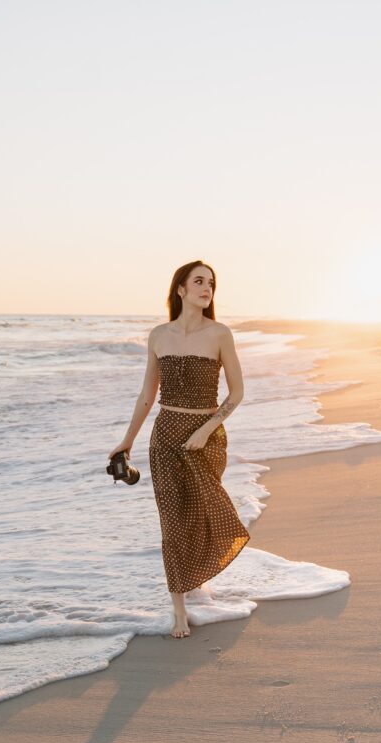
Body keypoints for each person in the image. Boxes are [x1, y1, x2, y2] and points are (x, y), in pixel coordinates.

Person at [108, 260, 250, 638]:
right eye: (199, 281)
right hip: (166, 436)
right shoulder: (158, 336)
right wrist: (128, 439)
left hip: (207, 438)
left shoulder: (219, 334)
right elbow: (147, 395)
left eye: (211, 283)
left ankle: (197, 577)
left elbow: (237, 393)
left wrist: (206, 429)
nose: (207, 289)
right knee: (172, 522)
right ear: (181, 289)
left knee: (203, 513)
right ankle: (179, 609)